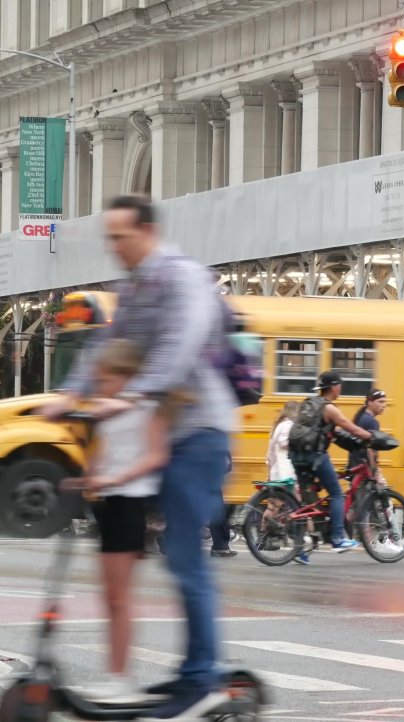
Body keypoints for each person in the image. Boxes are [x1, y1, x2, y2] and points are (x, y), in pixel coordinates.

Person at [41, 194, 236, 719]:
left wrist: (129, 396)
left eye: (121, 237)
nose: (114, 247)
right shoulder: (134, 288)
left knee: (186, 556)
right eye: (109, 238)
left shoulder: (181, 277)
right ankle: (185, 672)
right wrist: (68, 395)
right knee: (160, 557)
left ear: (147, 232)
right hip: (167, 431)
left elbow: (180, 345)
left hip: (199, 433)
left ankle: (204, 683)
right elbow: (109, 348)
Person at [67, 340, 171, 704]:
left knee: (120, 597)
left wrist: (114, 479)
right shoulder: (109, 409)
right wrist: (86, 477)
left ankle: (122, 679)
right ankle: (114, 675)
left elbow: (157, 456)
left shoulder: (148, 407)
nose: (100, 384)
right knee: (110, 597)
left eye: (107, 377)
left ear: (126, 375)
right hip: (109, 502)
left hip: (133, 501)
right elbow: (103, 453)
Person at [289, 371, 374, 564]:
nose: (340, 389)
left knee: (308, 505)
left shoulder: (309, 403)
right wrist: (371, 437)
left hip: (297, 456)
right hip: (315, 457)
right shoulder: (329, 408)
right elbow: (349, 427)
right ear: (334, 387)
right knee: (336, 493)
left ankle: (301, 550)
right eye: (339, 386)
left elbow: (330, 432)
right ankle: (337, 538)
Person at [349, 389, 388, 479]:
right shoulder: (372, 422)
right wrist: (374, 471)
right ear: (370, 402)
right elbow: (371, 450)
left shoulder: (361, 417)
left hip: (355, 465)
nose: (384, 405)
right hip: (364, 469)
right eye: (380, 402)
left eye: (385, 402)